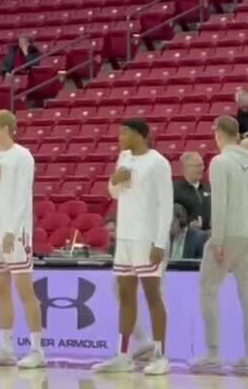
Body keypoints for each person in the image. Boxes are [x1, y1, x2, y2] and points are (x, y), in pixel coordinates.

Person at [94, 118, 172, 375]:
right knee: (126, 296)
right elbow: (116, 194)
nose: (119, 138)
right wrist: (115, 180)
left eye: (123, 133)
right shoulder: (123, 158)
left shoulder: (158, 162)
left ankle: (160, 356)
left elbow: (166, 205)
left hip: (147, 238)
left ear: (139, 135)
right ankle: (123, 355)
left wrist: (159, 242)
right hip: (125, 238)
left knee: (153, 296)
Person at [192, 116, 248, 375]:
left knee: (208, 289)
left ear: (219, 133)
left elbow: (219, 203)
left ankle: (212, 352)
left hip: (229, 235)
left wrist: (218, 239)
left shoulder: (220, 162)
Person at [0, 110, 45, 368]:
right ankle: (5, 348)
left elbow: (23, 197)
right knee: (0, 290)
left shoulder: (23, 156)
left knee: (25, 290)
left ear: (5, 128)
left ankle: (37, 350)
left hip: (16, 233)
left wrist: (12, 231)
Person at [173, 151, 211, 230]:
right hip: (187, 237)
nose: (202, 168)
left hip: (210, 236)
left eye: (203, 165)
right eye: (198, 165)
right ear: (186, 167)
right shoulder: (175, 189)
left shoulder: (209, 188)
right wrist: (187, 226)